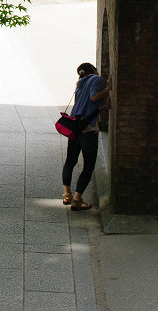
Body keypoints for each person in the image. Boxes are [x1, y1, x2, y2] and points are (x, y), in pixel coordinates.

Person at [62, 62, 112, 211]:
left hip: (75, 128)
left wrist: (103, 107)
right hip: (88, 131)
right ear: (92, 69)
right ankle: (77, 200)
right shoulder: (96, 79)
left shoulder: (80, 83)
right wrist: (108, 88)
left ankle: (67, 195)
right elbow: (94, 98)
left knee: (70, 161)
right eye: (96, 68)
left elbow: (86, 107)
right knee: (88, 166)